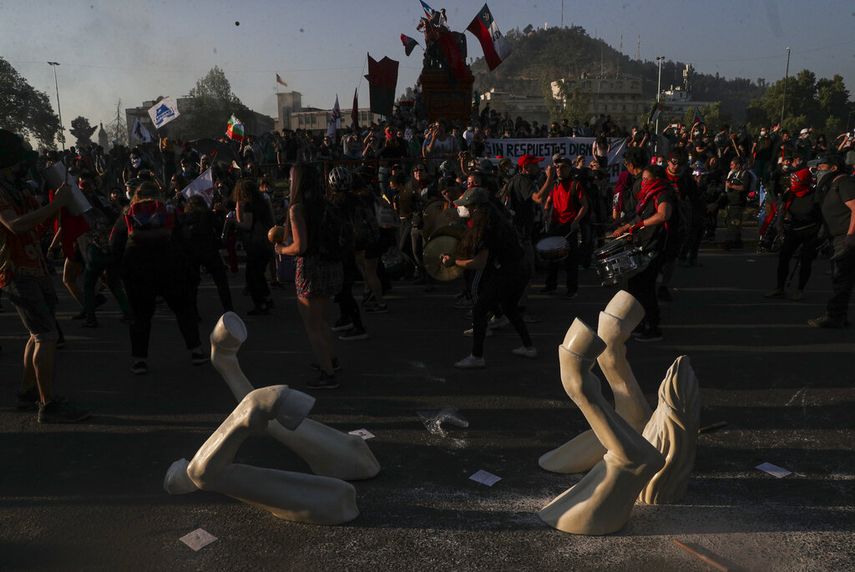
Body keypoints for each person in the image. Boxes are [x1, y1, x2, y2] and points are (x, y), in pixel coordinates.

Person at [0, 129, 89, 422]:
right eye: (19, 161)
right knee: (46, 335)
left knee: (37, 333)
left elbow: (38, 221)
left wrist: (66, 199)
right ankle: (47, 404)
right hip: (15, 271)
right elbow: (17, 226)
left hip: (35, 267)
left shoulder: (18, 188)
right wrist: (55, 205)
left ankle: (28, 392)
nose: (25, 166)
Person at [119, 181, 207, 375]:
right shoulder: (169, 210)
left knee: (140, 316)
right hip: (169, 265)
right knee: (183, 310)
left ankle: (139, 360)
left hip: (137, 267)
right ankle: (196, 351)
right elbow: (183, 238)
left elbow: (115, 241)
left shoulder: (127, 213)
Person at [441, 187, 535, 368]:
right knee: (509, 308)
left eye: (466, 205)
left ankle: (477, 357)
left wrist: (454, 262)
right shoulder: (495, 218)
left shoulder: (486, 226)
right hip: (520, 269)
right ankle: (528, 347)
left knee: (479, 310)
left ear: (475, 207)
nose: (463, 208)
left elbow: (479, 263)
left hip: (510, 272)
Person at [274, 165, 344, 389]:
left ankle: (327, 373)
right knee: (322, 319)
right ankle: (331, 359)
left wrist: (281, 250)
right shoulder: (324, 203)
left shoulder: (297, 209)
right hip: (329, 264)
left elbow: (299, 246)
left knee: (311, 325)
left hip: (310, 268)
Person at [612, 164, 674, 342]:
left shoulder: (664, 193)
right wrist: (625, 227)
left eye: (647, 179)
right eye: (643, 179)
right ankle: (640, 322)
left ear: (657, 179)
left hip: (656, 247)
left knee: (645, 287)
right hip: (645, 245)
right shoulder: (649, 195)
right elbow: (640, 217)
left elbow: (663, 215)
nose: (643, 182)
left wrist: (639, 225)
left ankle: (653, 327)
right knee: (635, 285)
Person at [809, 156, 855, 328]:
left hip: (846, 237)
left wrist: (851, 235)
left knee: (841, 277)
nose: (819, 170)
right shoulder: (831, 185)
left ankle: (835, 316)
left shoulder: (844, 183)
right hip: (836, 237)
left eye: (823, 166)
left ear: (834, 167)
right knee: (841, 278)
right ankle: (839, 315)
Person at [533, 156, 587, 297]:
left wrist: (576, 221)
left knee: (570, 259)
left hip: (569, 226)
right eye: (557, 167)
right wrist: (545, 211)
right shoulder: (554, 184)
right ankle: (551, 286)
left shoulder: (575, 185)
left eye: (563, 167)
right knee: (552, 257)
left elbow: (585, 206)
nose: (559, 170)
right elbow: (548, 201)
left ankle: (572, 290)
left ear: (570, 169)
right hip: (555, 225)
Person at [764, 165, 821, 300]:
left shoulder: (815, 195)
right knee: (784, 257)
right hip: (794, 229)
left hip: (811, 231)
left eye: (796, 181)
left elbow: (822, 216)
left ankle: (800, 290)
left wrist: (821, 234)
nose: (792, 183)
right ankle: (780, 287)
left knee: (805, 261)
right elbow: (782, 210)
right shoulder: (790, 193)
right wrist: (780, 225)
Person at [233, 178, 275, 315]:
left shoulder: (249, 205)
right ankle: (266, 298)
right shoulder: (262, 203)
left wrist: (233, 221)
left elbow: (247, 225)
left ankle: (260, 303)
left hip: (256, 245)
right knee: (259, 274)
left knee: (252, 276)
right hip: (265, 243)